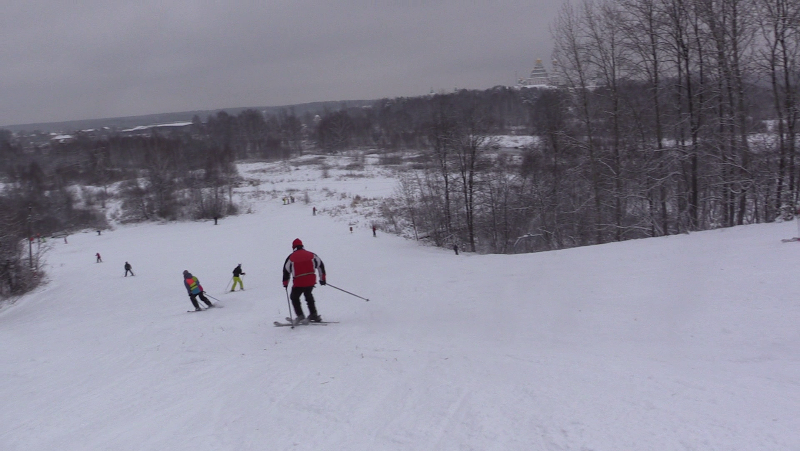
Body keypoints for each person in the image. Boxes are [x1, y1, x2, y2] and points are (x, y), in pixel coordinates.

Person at [282, 238, 326, 322]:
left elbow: (286, 271)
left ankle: (300, 315)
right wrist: (322, 279)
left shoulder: (291, 257)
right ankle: (314, 314)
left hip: (299, 282)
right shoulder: (312, 255)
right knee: (308, 295)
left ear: (293, 247)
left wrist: (285, 283)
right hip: (311, 281)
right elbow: (320, 265)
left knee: (294, 297)